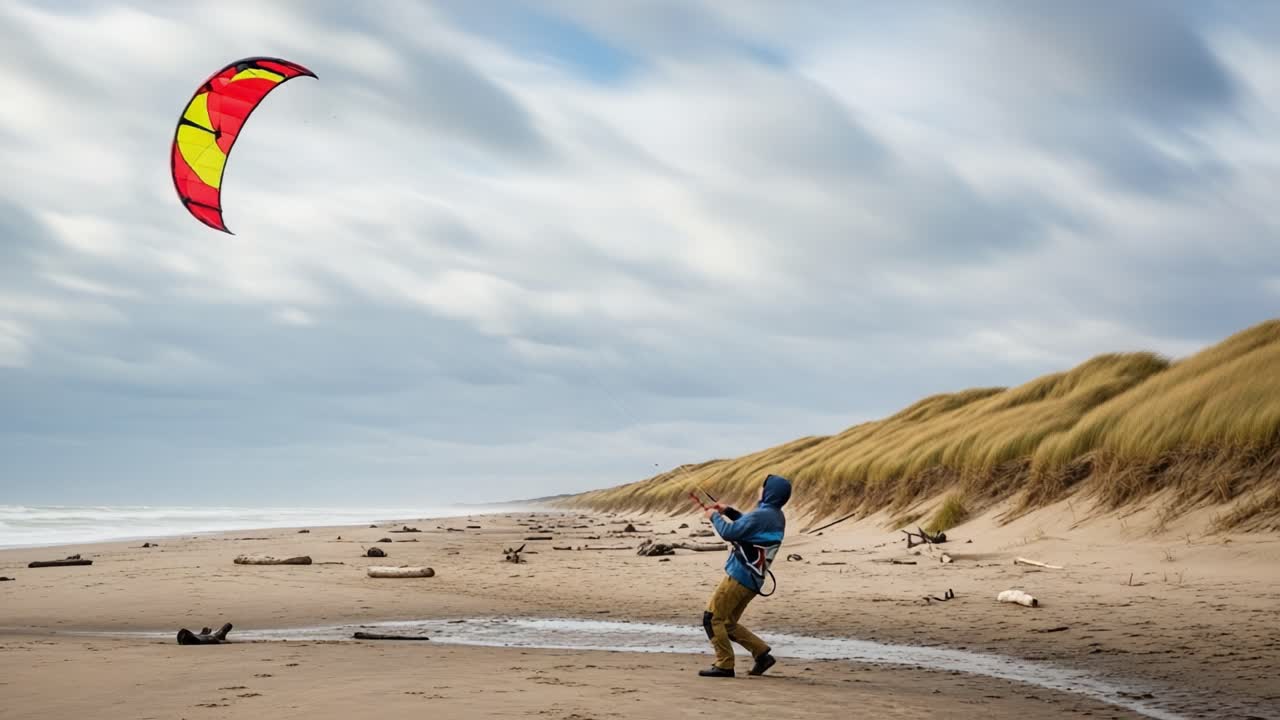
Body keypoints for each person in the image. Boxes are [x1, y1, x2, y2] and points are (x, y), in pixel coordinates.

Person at [697, 473, 792, 678]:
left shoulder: (763, 515)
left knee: (712, 618)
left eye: (763, 487)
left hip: (740, 576)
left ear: (769, 492)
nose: (760, 489)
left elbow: (730, 533)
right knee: (728, 623)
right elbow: (747, 526)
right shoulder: (774, 515)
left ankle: (724, 664)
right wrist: (728, 511)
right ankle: (762, 654)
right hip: (753, 580)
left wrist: (713, 516)